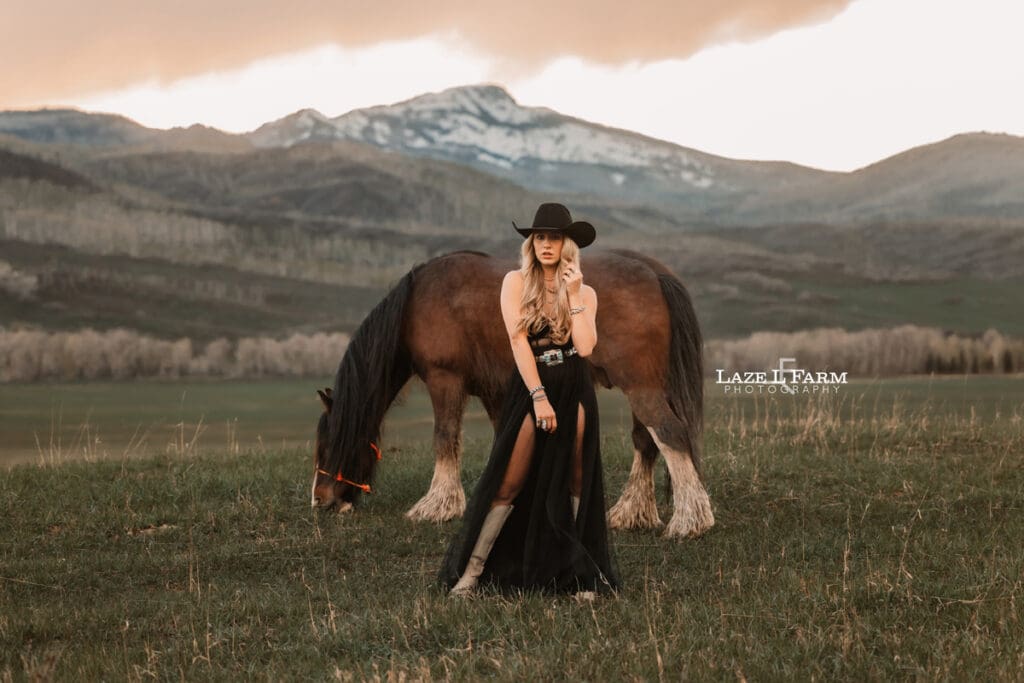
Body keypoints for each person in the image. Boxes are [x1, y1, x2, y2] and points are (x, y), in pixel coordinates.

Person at [439, 202, 619, 596]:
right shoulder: (514, 283)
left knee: (577, 478)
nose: (546, 244)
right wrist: (538, 397)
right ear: (532, 243)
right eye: (540, 237)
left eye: (554, 237)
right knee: (510, 479)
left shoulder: (585, 291)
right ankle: (472, 574)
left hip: (575, 384)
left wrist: (573, 294)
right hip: (533, 384)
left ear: (567, 244)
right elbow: (518, 342)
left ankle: (578, 575)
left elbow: (586, 347)